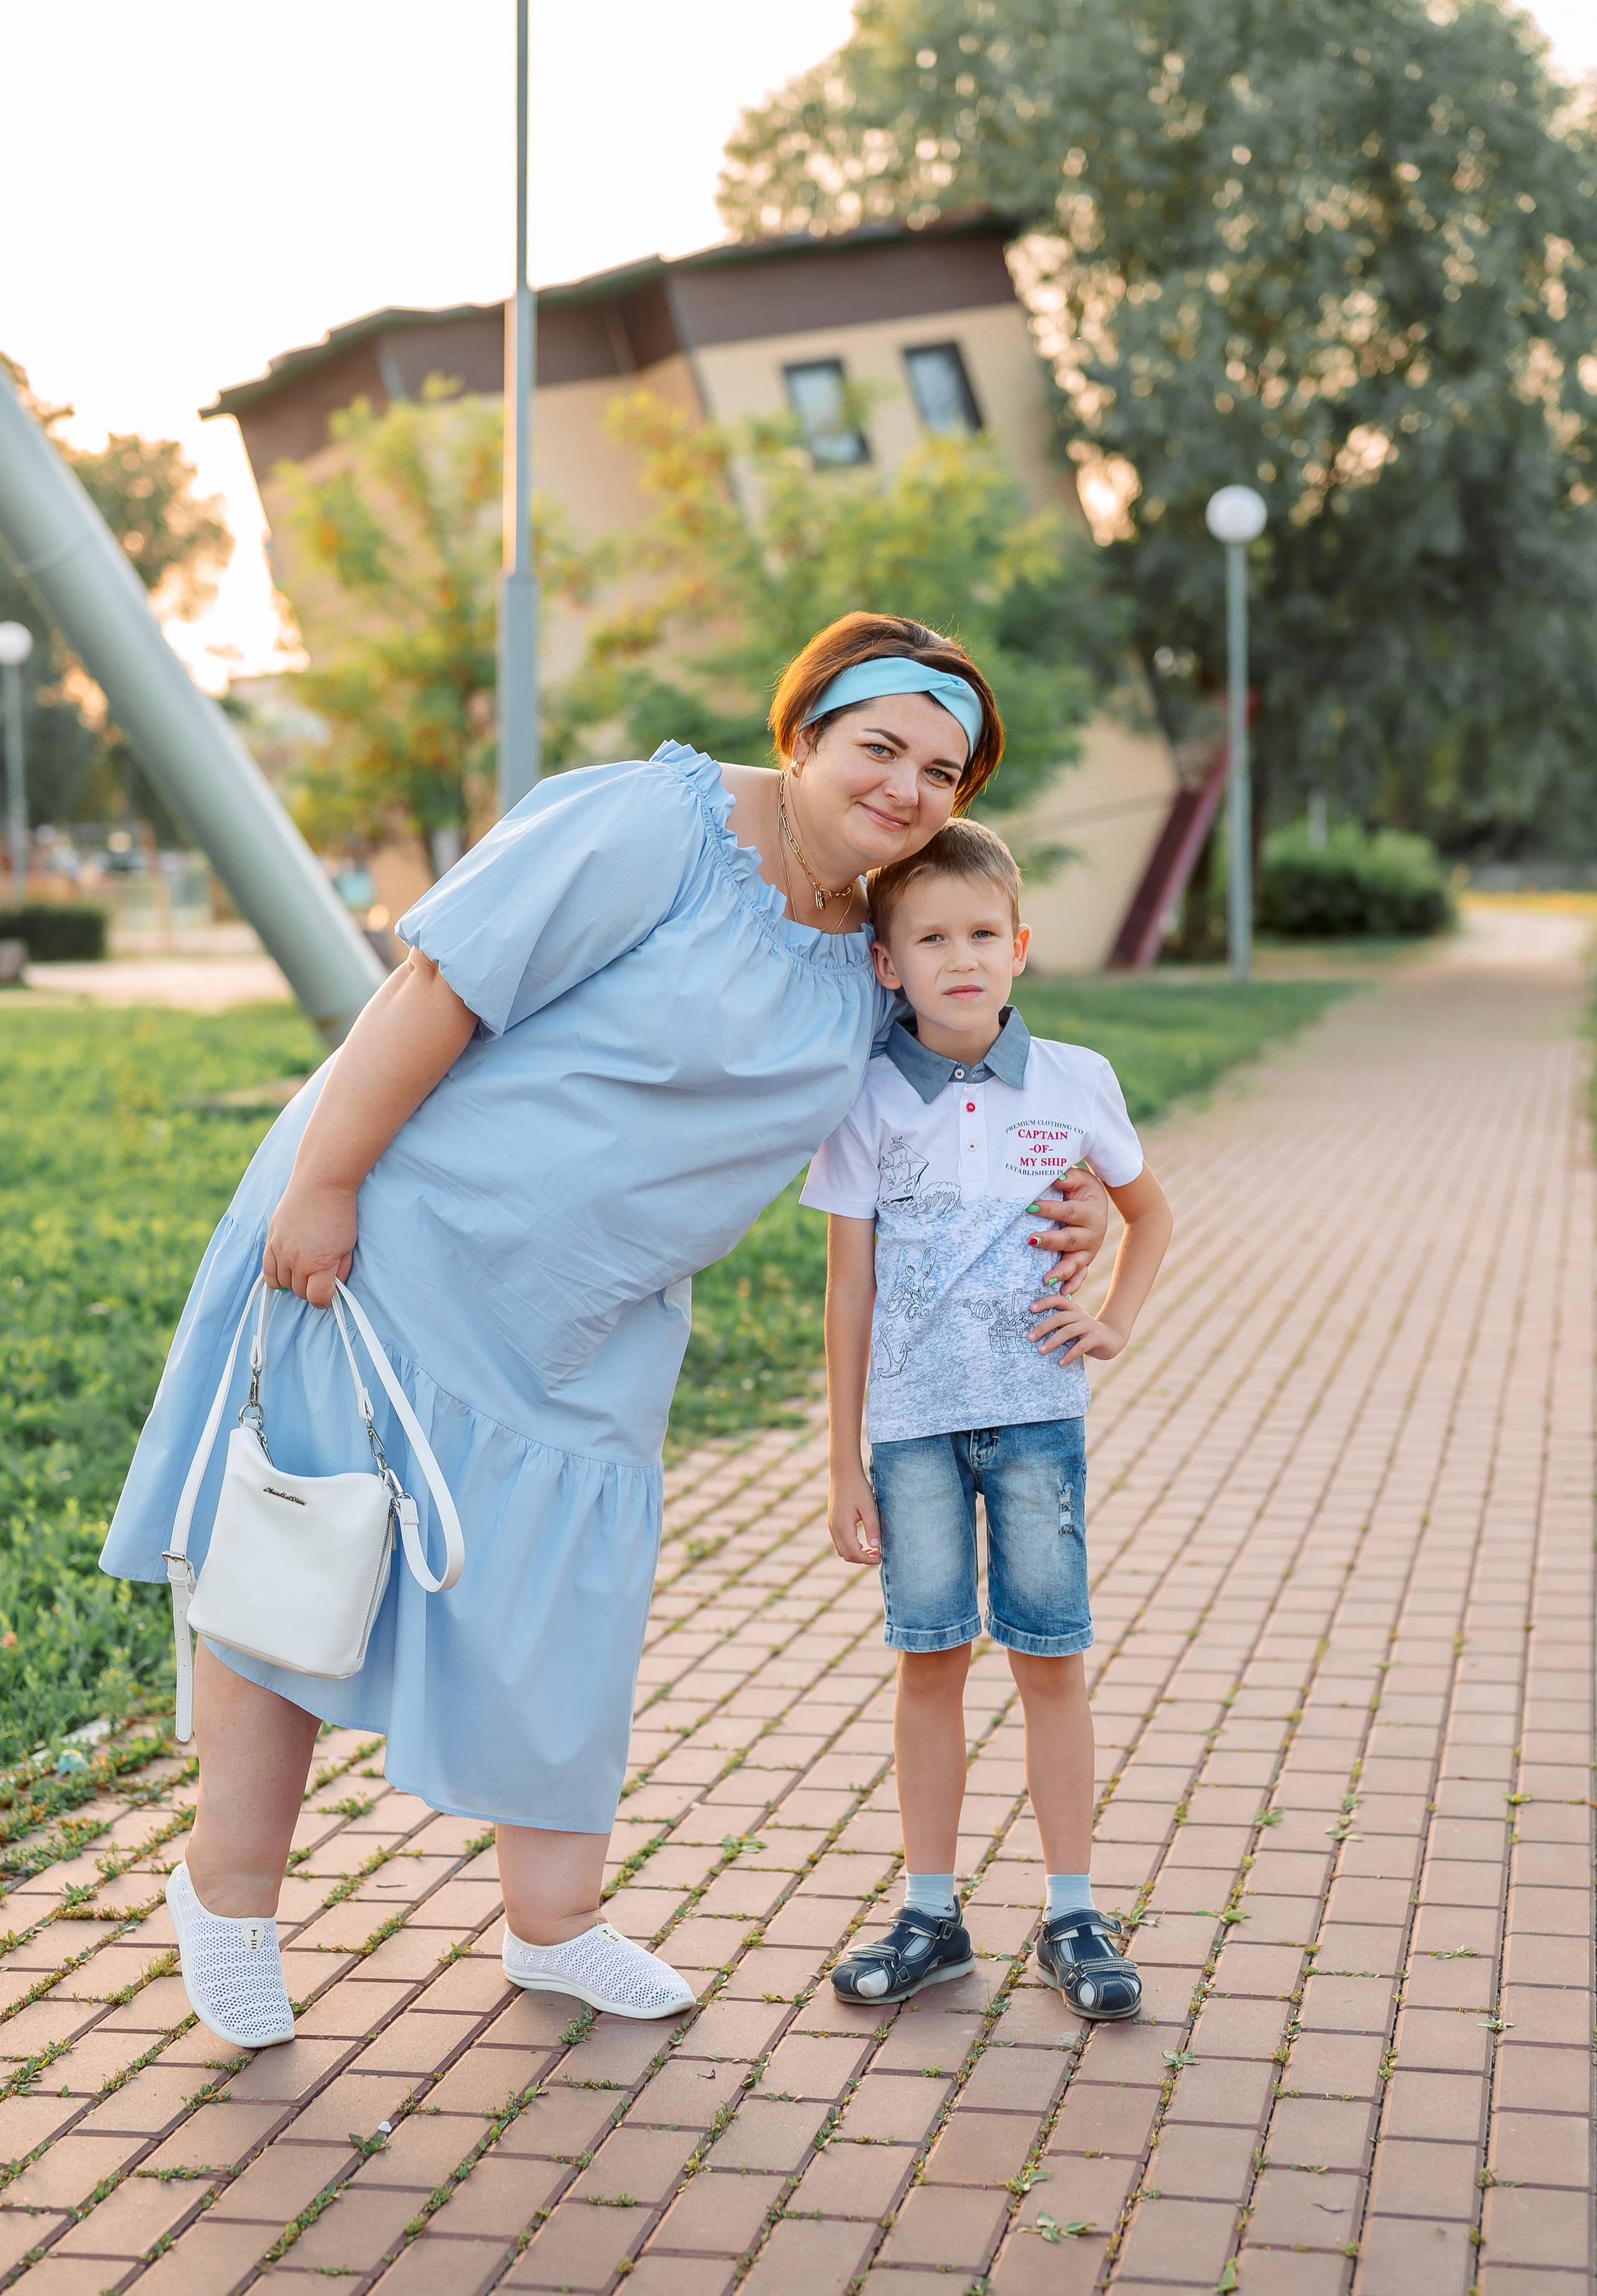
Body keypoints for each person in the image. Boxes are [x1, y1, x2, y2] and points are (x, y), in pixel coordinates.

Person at [100, 615, 1113, 2049]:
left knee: (566, 1619)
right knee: (302, 1577)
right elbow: (436, 984)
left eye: (941, 770)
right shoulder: (659, 822)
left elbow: (971, 1079)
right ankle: (229, 1892)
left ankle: (552, 1927)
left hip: (590, 1328)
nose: (905, 785)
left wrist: (1081, 1197)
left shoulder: (874, 949)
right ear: (803, 735)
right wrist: (326, 1183)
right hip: (399, 1254)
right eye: (879, 745)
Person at [805, 818, 1172, 2020]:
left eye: (980, 936)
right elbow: (847, 1282)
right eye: (929, 939)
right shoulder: (865, 1100)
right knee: (929, 1663)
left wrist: (1115, 1316)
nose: (958, 959)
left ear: (1019, 948)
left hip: (1034, 1423)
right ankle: (930, 1913)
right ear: (886, 964)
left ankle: (1074, 1908)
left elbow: (1148, 1212)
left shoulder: (1076, 1081)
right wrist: (842, 1459)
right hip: (910, 1431)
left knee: (1050, 1661)